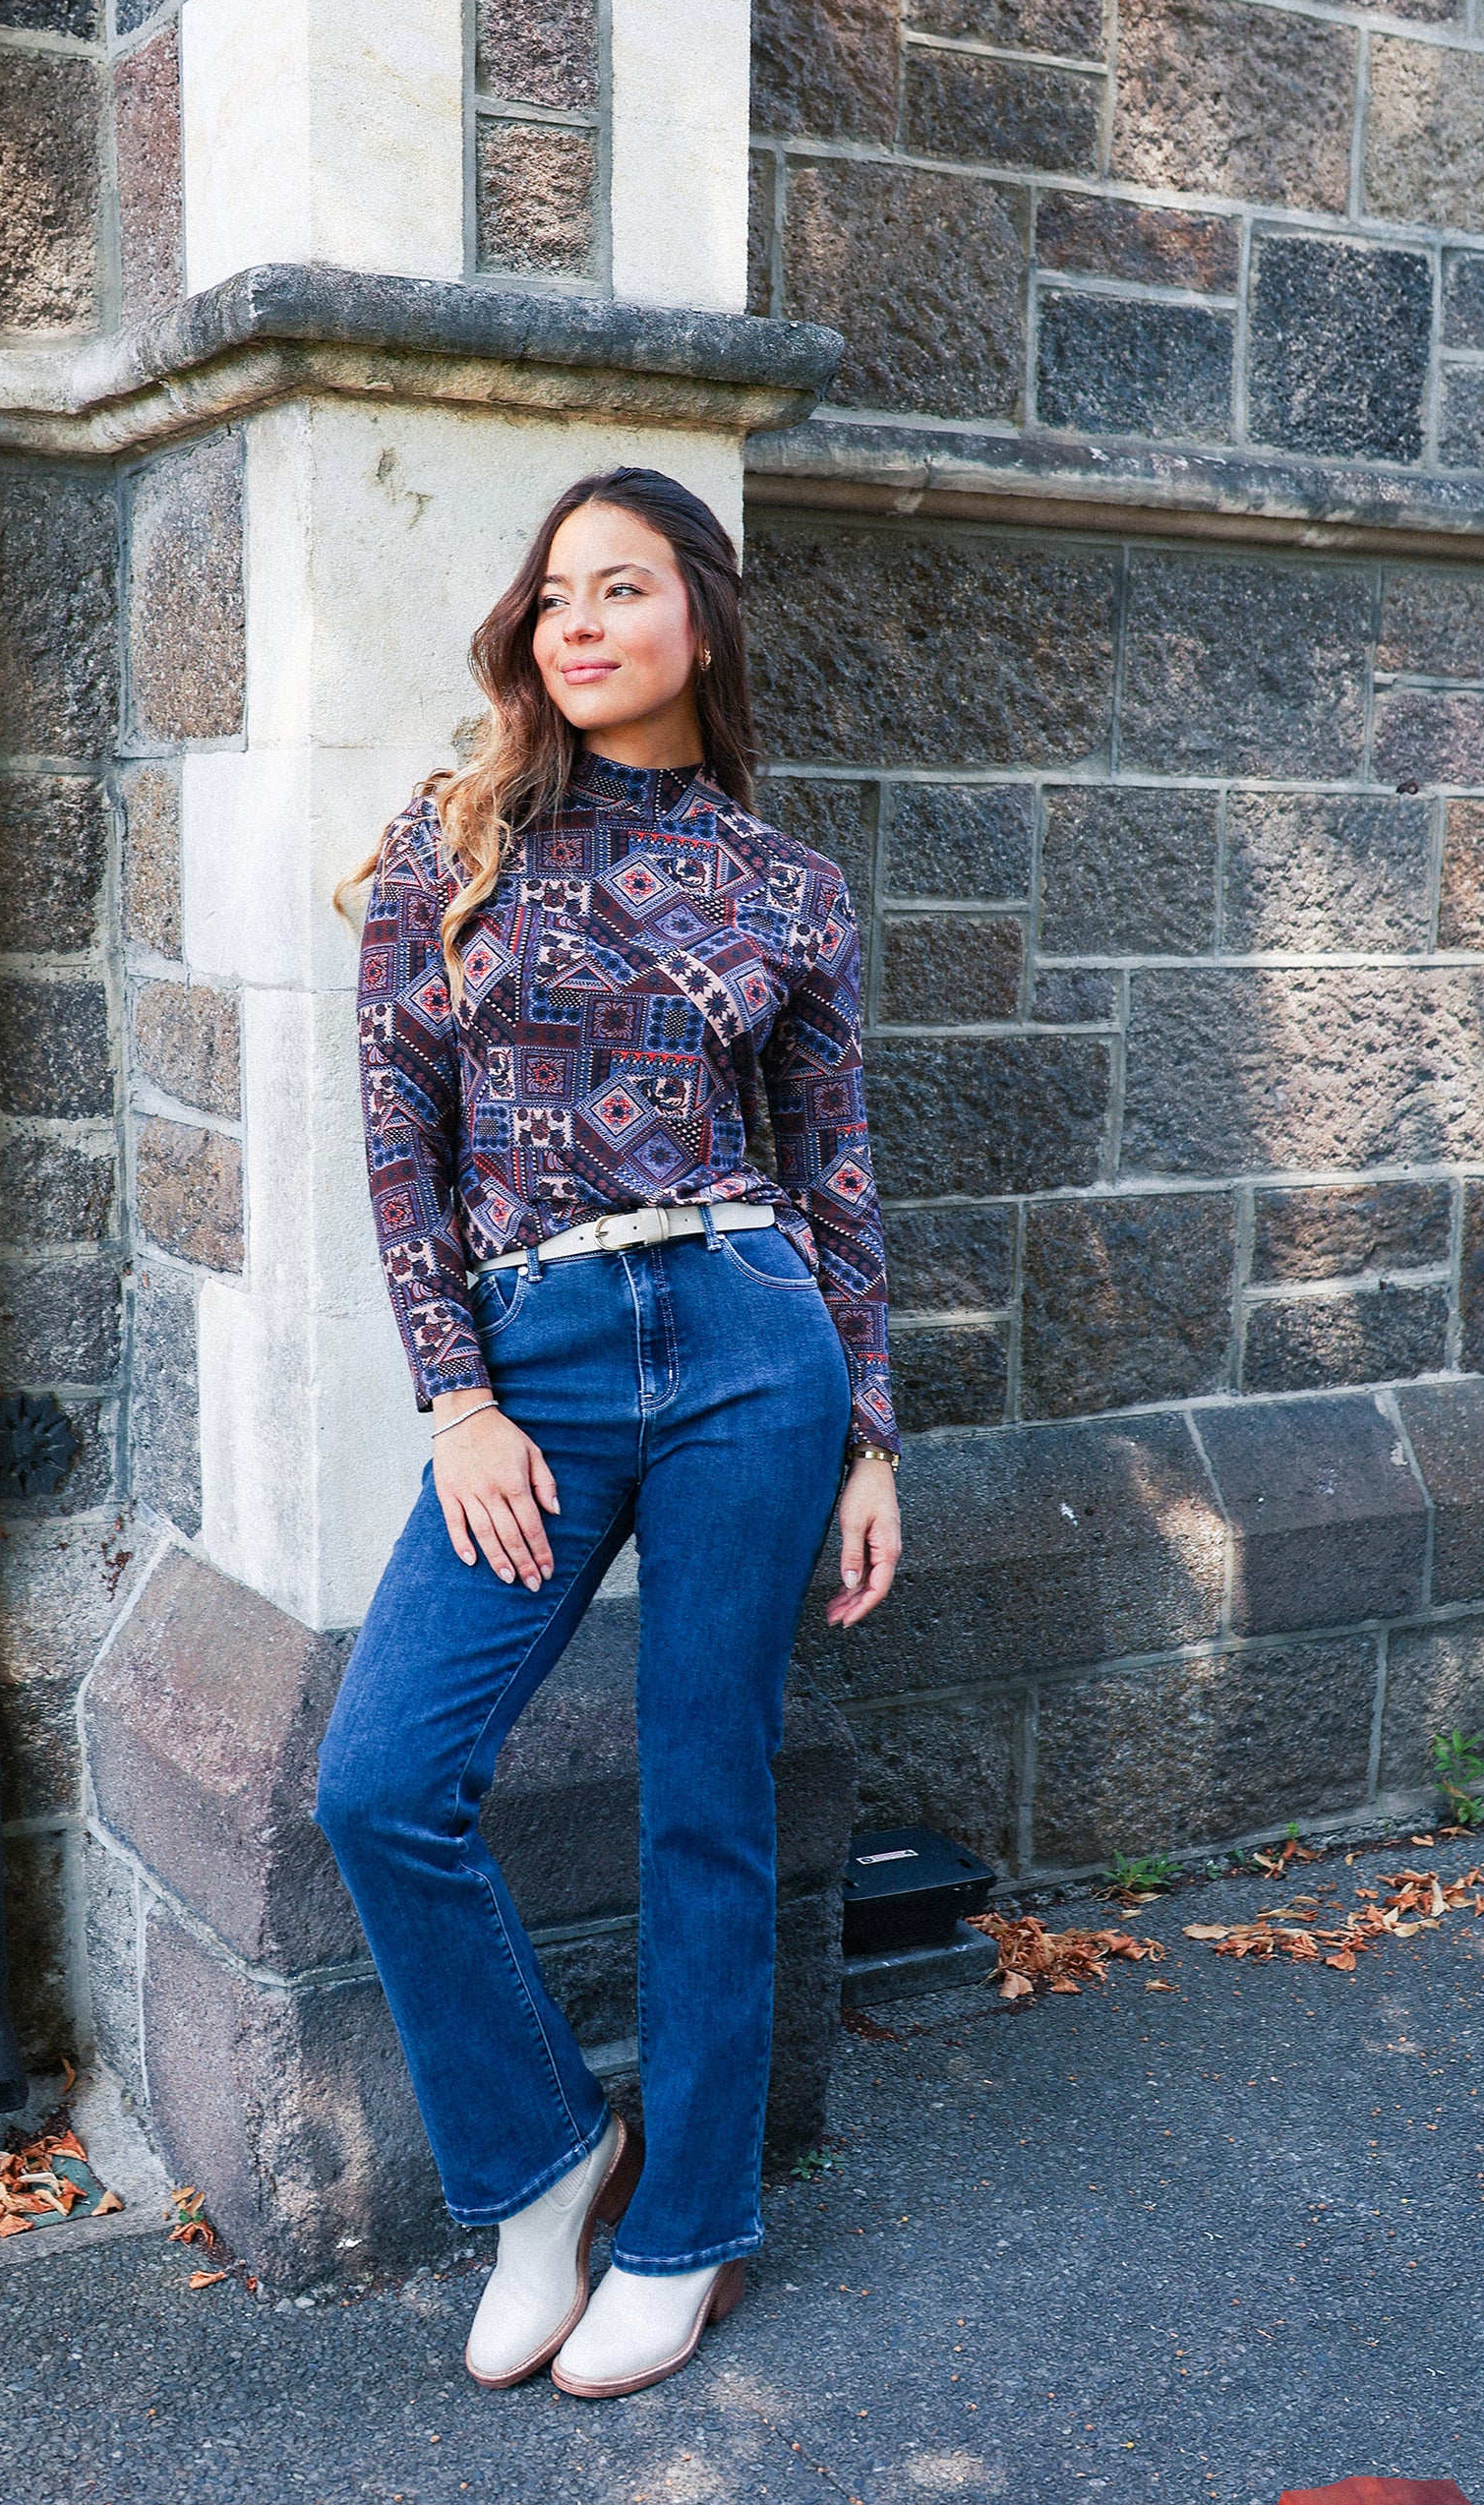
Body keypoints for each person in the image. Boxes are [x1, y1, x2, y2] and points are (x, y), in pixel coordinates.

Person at [316, 466, 901, 2400]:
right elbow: (400, 1146)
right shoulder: (453, 838)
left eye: (621, 586)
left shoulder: (788, 884)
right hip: (543, 1352)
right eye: (552, 588)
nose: (574, 620)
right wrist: (457, 1395)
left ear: (700, 626)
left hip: (752, 1340)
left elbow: (834, 1176)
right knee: (383, 1778)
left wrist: (872, 1432)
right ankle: (550, 2160)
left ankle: (691, 2227)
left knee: (704, 1797)